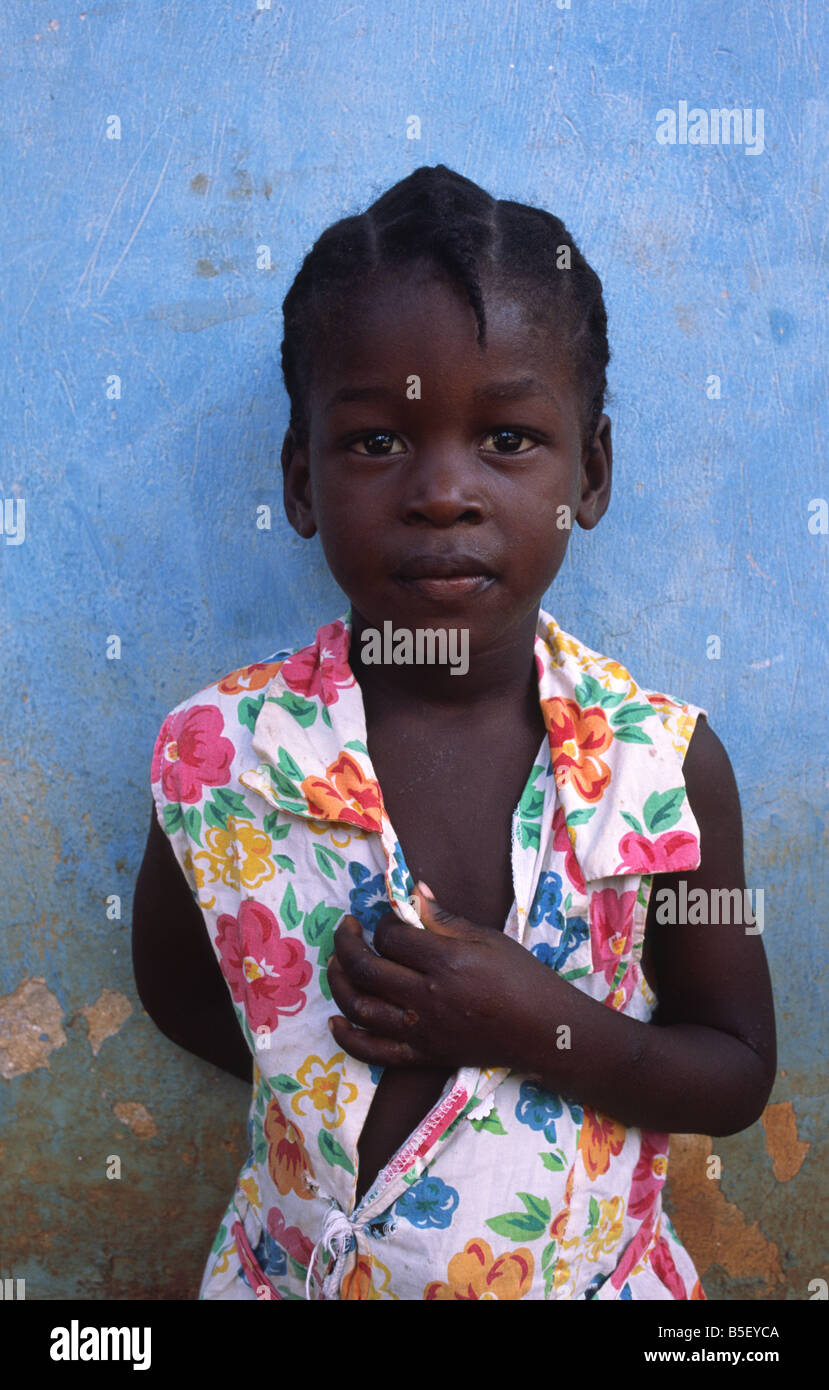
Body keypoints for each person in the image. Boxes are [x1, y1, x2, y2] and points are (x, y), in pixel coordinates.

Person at [132, 164, 776, 1301]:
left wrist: (542, 1027)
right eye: (378, 443)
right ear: (299, 480)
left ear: (593, 471)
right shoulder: (214, 755)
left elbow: (733, 1069)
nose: (442, 491)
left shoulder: (666, 766)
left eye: (509, 438)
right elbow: (184, 986)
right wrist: (321, 1077)